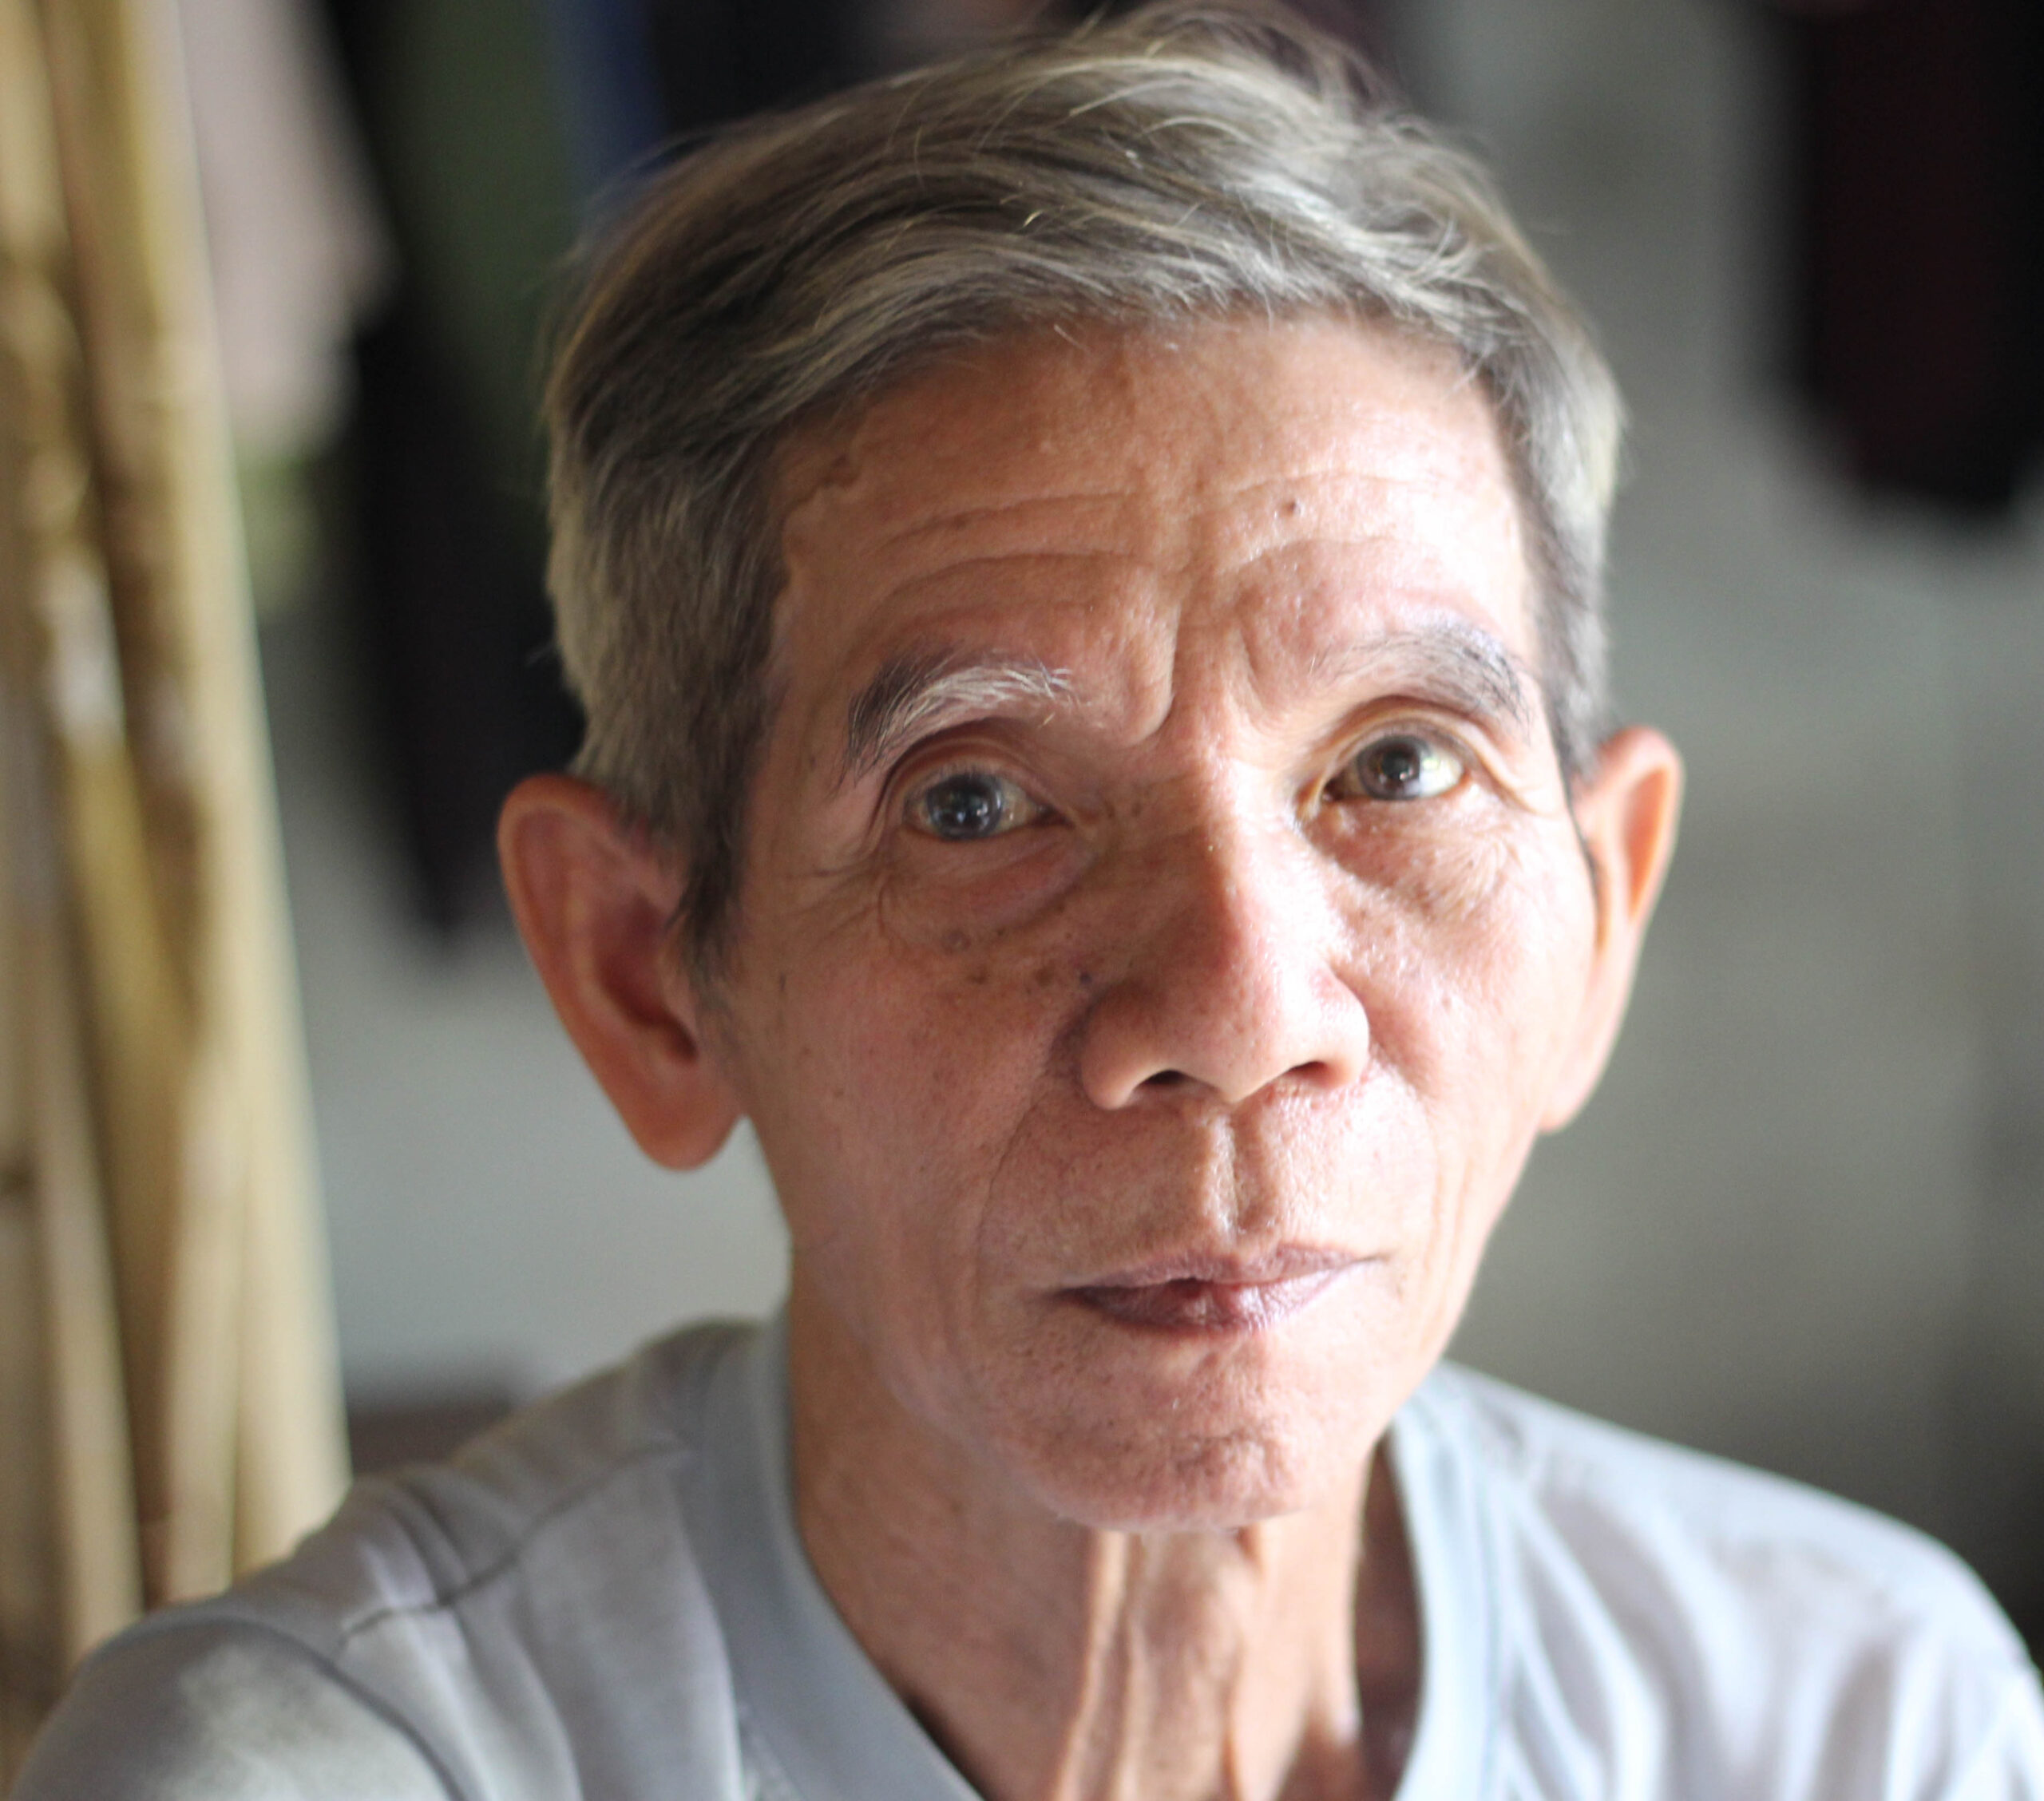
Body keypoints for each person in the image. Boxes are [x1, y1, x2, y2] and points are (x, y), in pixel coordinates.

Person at [20, 5, 2044, 1796]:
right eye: (976, 801)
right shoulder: (323, 1771)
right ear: (647, 973)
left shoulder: (1856, 1719)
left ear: (1598, 914)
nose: (1242, 1010)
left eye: (1395, 766)